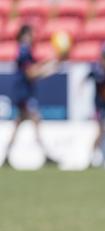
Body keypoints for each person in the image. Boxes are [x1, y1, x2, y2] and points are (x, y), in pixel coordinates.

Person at [4, 24, 64, 163]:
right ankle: (45, 154)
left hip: (24, 92)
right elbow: (30, 73)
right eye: (31, 34)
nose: (33, 37)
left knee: (20, 123)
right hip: (23, 93)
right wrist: (49, 69)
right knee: (35, 120)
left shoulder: (26, 50)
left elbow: (35, 67)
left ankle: (6, 156)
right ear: (25, 35)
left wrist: (51, 63)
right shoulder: (24, 50)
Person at [84, 41, 105, 165]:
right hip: (99, 104)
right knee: (101, 129)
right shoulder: (96, 67)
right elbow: (87, 77)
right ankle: (92, 155)